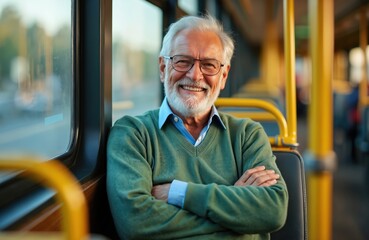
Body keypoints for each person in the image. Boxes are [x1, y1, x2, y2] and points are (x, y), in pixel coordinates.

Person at [107, 14, 288, 240]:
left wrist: (178, 193)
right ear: (163, 68)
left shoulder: (247, 135)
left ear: (223, 76)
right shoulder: (133, 134)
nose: (194, 75)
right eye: (183, 61)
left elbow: (273, 210)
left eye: (209, 65)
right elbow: (136, 224)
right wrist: (238, 216)